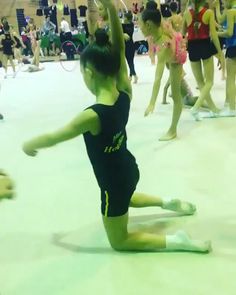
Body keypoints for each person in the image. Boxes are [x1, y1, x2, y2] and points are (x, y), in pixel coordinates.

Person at [23, 0, 211, 253]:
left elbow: (55, 137)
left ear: (89, 72)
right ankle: (168, 202)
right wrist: (111, 10)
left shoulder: (91, 117)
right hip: (129, 169)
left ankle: (178, 242)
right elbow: (120, 48)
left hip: (113, 183)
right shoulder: (125, 90)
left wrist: (29, 144)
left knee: (120, 241)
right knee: (128, 196)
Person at [140, 8, 186, 141]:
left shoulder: (164, 44)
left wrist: (152, 102)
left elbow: (158, 78)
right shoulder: (159, 33)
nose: (140, 28)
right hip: (171, 57)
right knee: (175, 92)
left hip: (175, 61)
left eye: (141, 24)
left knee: (177, 96)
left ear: (148, 24)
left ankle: (173, 130)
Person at [183, 0, 224, 120]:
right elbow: (214, 35)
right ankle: (195, 108)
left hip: (192, 47)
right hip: (205, 45)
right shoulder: (209, 13)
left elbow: (183, 33)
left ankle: (213, 108)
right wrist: (220, 53)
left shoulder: (186, 13)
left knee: (201, 83)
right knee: (209, 81)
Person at [218, 0, 236, 116]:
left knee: (230, 78)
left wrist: (215, 33)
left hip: (233, 47)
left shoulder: (231, 12)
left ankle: (232, 108)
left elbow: (229, 33)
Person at [122, 11, 138, 83]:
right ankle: (130, 76)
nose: (123, 18)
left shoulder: (125, 26)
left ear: (127, 18)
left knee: (130, 61)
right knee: (130, 61)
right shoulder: (130, 25)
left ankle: (134, 75)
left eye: (124, 17)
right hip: (130, 44)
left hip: (128, 46)